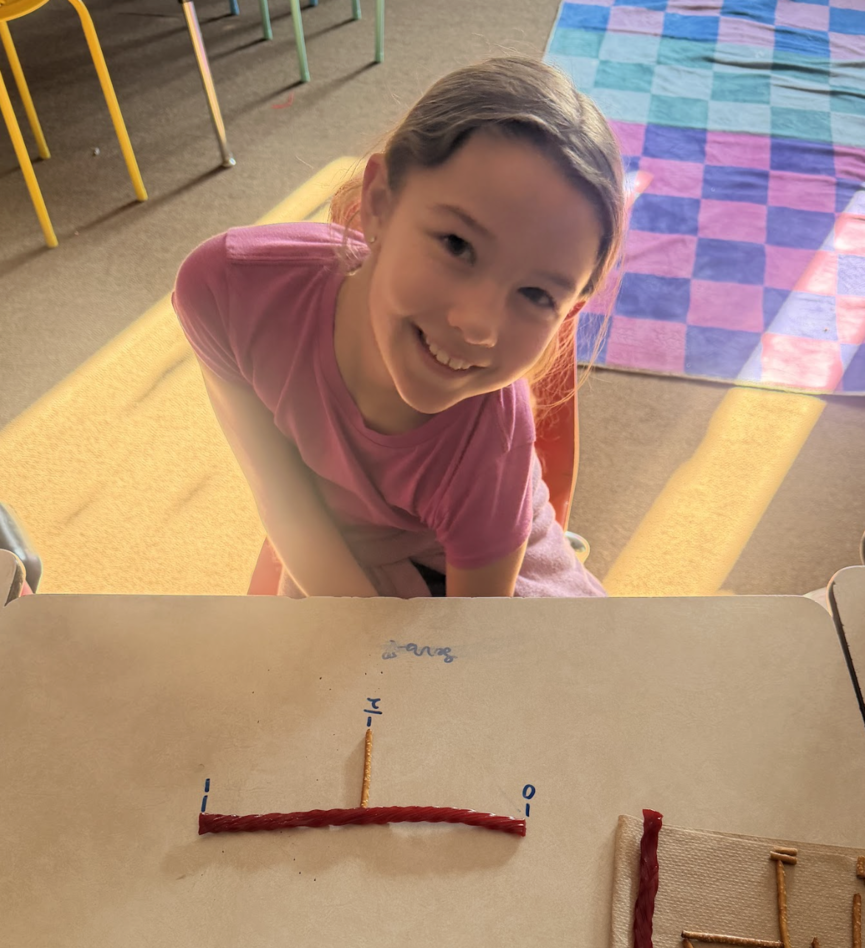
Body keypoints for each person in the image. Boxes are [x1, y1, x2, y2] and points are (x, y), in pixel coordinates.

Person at [172, 55, 625, 599]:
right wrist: (358, 633)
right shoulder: (228, 290)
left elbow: (469, 641)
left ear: (568, 311)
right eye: (457, 245)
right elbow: (279, 494)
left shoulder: (490, 435)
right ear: (379, 204)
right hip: (341, 553)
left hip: (501, 580)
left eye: (536, 294)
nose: (477, 325)